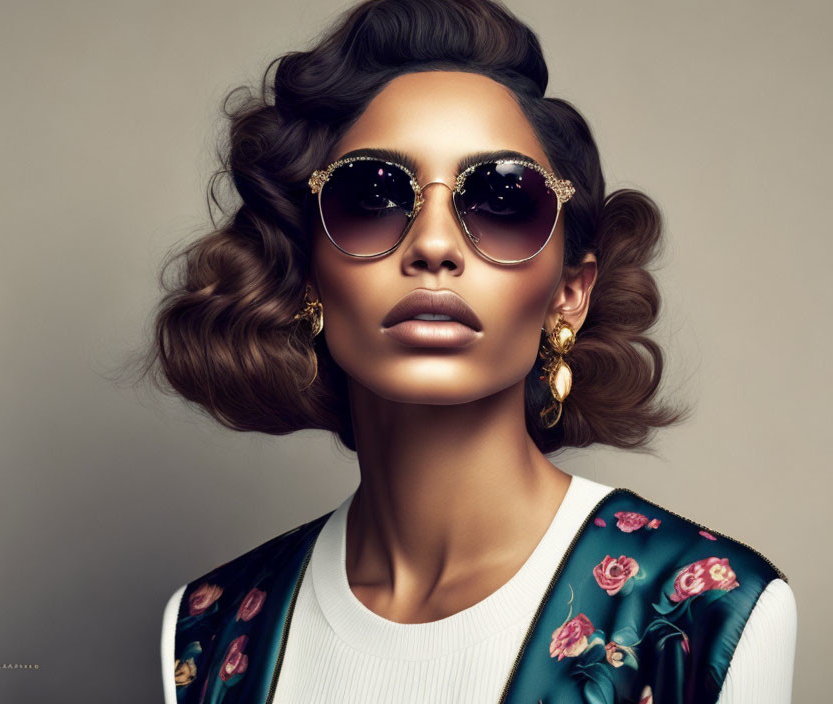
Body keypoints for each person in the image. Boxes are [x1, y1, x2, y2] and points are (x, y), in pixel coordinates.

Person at [148, 1, 797, 702]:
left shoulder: (708, 614)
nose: (433, 246)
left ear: (569, 294)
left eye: (503, 202)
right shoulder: (205, 632)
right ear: (308, 274)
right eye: (371, 197)